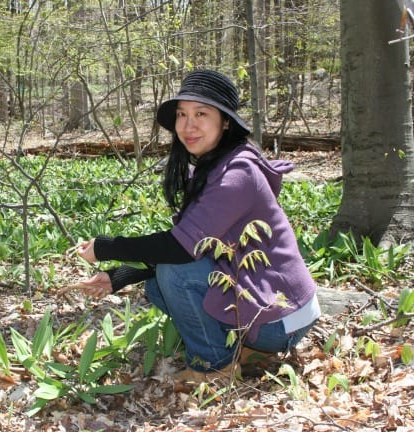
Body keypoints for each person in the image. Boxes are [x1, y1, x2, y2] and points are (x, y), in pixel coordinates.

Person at [74, 69, 320, 383]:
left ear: (226, 122)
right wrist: (119, 276)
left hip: (284, 318)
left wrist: (106, 248)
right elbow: (193, 248)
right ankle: (247, 351)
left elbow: (179, 249)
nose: (188, 126)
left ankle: (214, 368)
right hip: (271, 303)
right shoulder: (214, 167)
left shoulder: (237, 174)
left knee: (173, 276)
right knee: (159, 286)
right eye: (182, 114)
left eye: (201, 114)